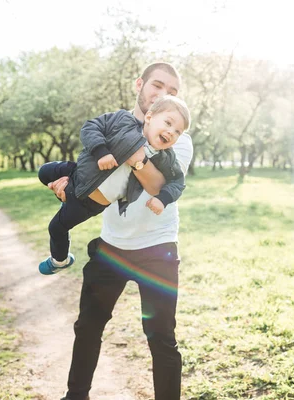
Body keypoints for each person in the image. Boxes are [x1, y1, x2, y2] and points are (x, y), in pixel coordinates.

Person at [49, 62, 192, 400]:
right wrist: (67, 182)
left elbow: (158, 185)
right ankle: (76, 396)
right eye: (158, 86)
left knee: (161, 338)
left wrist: (134, 156)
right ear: (140, 84)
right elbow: (90, 166)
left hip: (157, 250)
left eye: (172, 93)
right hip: (111, 247)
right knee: (88, 327)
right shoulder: (114, 124)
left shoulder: (176, 138)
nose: (163, 96)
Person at [37, 95, 191, 275]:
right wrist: (100, 151)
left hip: (86, 203)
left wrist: (163, 199)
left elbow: (177, 182)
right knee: (44, 171)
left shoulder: (165, 158)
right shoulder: (123, 121)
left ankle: (60, 260)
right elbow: (91, 126)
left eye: (178, 132)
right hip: (77, 173)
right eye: (168, 123)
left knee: (56, 227)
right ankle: (61, 191)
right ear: (149, 117)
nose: (171, 132)